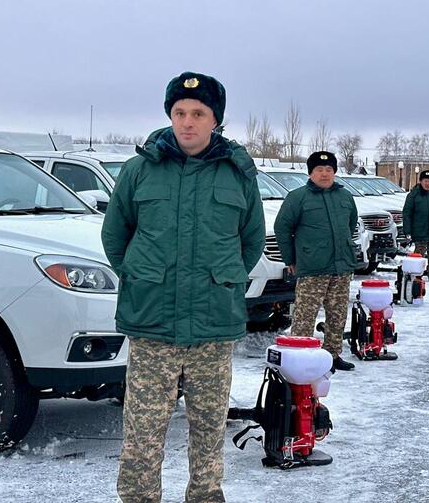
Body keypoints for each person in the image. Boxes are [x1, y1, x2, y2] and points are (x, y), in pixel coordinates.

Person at [101, 71, 265, 503]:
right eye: (179, 112)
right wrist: (141, 275)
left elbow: (249, 243)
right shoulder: (140, 170)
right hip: (152, 323)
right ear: (169, 115)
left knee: (209, 432)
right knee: (142, 435)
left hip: (212, 326)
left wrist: (221, 280)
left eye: (198, 113)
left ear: (216, 120)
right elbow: (116, 237)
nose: (187, 122)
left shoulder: (238, 174)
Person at [274, 151, 359, 372]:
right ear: (310, 173)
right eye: (319, 170)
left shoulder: (345, 197)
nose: (324, 174)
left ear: (334, 172)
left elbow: (350, 226)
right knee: (305, 314)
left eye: (329, 169)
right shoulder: (298, 197)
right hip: (312, 267)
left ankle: (332, 355)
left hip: (341, 266)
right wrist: (290, 258)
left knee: (337, 313)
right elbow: (282, 228)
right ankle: (300, 356)